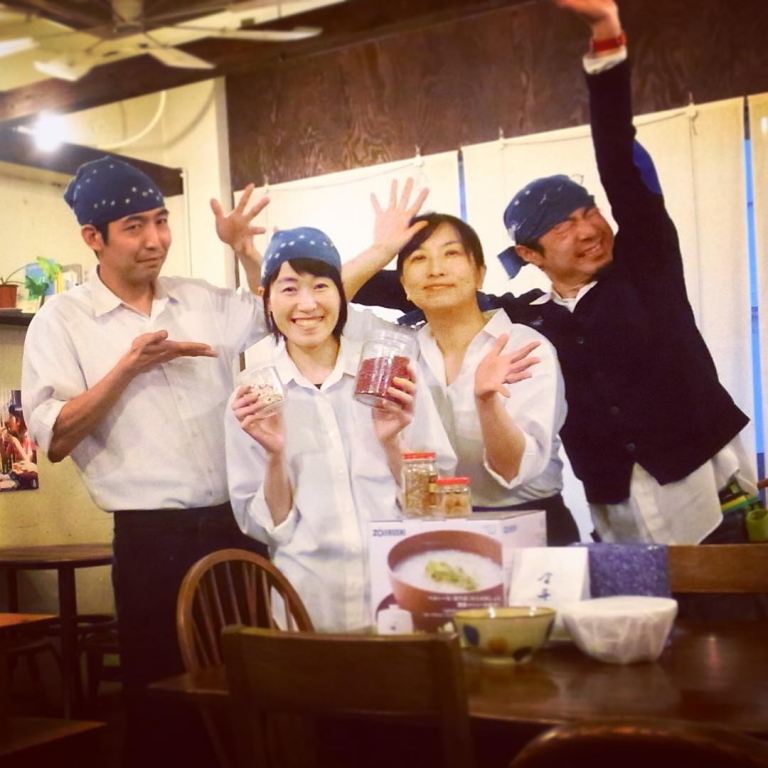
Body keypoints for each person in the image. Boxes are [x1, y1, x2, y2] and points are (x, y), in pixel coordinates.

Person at [354, 0, 758, 554]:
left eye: (590, 212)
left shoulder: (648, 272)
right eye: (564, 226)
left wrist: (606, 41)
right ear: (530, 252)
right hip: (615, 515)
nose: (588, 229)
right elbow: (415, 290)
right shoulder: (527, 318)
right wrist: (384, 250)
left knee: (731, 608)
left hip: (711, 496)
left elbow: (621, 165)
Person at [21, 157, 273, 767]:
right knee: (166, 700)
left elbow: (283, 319)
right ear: (93, 237)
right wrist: (128, 368)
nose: (155, 239)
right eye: (134, 226)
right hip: (151, 539)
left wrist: (246, 252)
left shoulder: (200, 298)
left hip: (238, 524)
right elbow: (53, 436)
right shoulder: (63, 320)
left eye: (161, 221)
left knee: (257, 686)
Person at [224, 227, 456, 631]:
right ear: (267, 299)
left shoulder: (392, 376)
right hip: (308, 605)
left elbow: (435, 505)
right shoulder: (252, 398)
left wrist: (393, 444)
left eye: (321, 286)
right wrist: (275, 456)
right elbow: (266, 528)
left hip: (401, 597)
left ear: (341, 294)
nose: (307, 304)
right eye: (289, 289)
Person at [344, 203, 580, 545]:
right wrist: (381, 250)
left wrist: (487, 402)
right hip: (439, 524)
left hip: (531, 527)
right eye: (419, 258)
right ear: (404, 285)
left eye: (451, 253)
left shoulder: (523, 347)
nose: (436, 269)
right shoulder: (399, 350)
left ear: (480, 274)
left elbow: (513, 470)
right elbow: (320, 309)